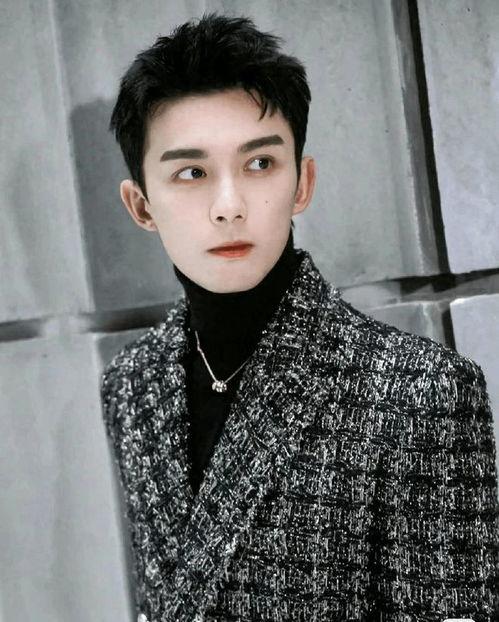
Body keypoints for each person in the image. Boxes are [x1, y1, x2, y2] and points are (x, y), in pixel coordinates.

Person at [100, 11, 499, 622]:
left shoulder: (419, 394)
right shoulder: (132, 384)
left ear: (302, 183)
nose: (229, 206)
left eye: (260, 163)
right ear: (141, 206)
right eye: (191, 173)